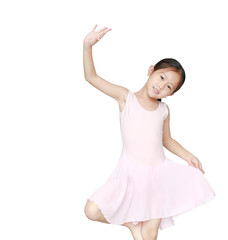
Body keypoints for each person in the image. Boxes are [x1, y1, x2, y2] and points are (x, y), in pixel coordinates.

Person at [82, 24, 216, 240]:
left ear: (171, 94)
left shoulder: (163, 109)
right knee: (91, 210)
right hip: (128, 175)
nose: (162, 86)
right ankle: (130, 224)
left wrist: (189, 156)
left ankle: (140, 229)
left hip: (157, 177)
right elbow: (91, 77)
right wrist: (87, 46)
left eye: (169, 87)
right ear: (151, 70)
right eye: (162, 77)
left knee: (149, 235)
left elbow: (167, 140)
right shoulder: (126, 98)